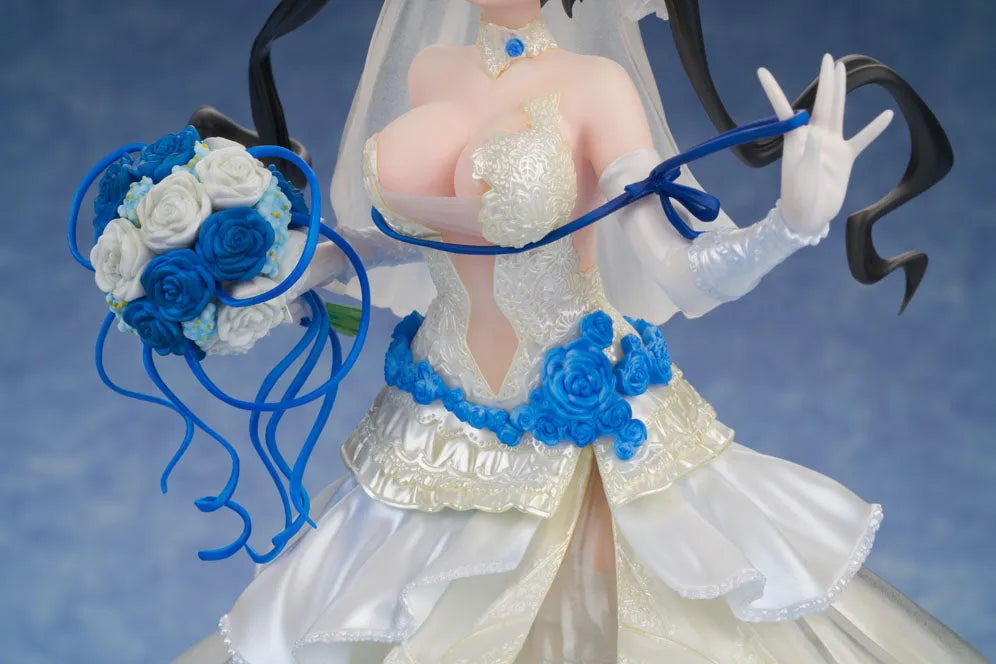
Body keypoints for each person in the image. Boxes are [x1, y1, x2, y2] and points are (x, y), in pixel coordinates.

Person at [157, 0, 984, 661]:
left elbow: (679, 268)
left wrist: (788, 227)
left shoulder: (595, 87)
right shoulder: (429, 67)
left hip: (581, 427)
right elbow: (409, 232)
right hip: (434, 425)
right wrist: (297, 268)